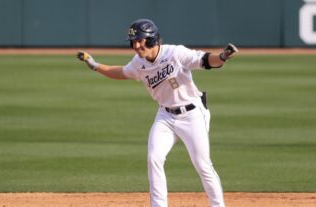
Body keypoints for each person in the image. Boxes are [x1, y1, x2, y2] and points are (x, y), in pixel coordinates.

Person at [77, 19, 238, 207]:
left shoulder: (175, 53)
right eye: (133, 41)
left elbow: (204, 60)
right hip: (165, 116)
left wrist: (223, 57)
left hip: (192, 115)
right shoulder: (138, 63)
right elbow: (121, 72)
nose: (136, 45)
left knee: (202, 165)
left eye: (140, 40)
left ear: (152, 39)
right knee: (154, 158)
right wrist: (95, 65)